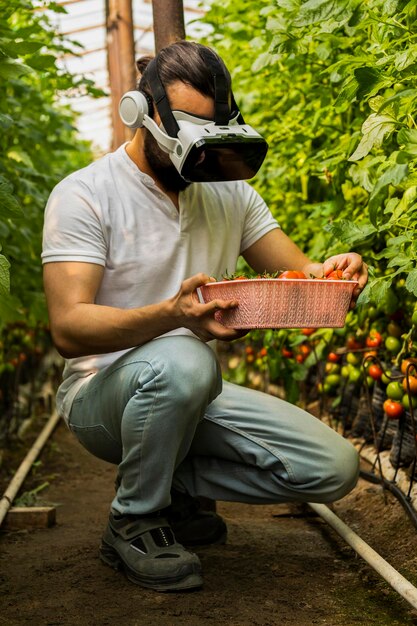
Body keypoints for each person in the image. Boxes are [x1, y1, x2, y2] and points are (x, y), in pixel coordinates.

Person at [42, 40, 368, 593]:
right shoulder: (86, 194)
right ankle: (134, 520)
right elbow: (69, 330)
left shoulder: (231, 194)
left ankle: (168, 483)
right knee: (184, 356)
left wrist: (334, 273)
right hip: (100, 396)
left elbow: (300, 275)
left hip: (189, 391)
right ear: (140, 115)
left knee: (332, 468)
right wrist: (173, 314)